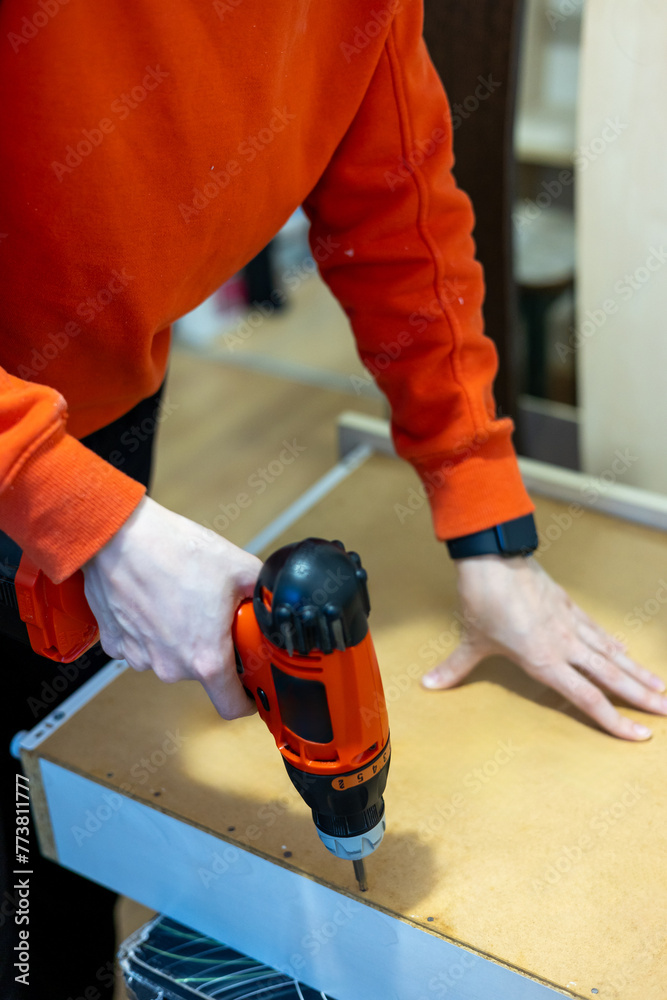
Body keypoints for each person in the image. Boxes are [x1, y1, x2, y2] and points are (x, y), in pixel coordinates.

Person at [1, 2, 665, 997]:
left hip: (92, 386)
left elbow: (396, 209)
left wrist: (488, 528)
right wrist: (77, 511)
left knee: (47, 793)